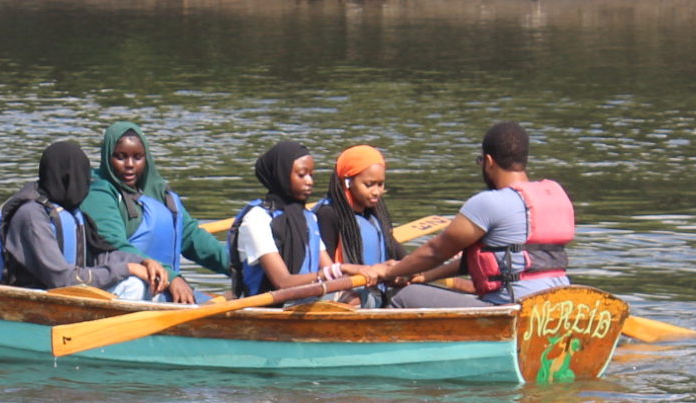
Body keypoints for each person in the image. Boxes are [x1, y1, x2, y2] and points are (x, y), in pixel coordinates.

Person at [370, 121, 576, 305]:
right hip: (558, 303)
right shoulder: (557, 195)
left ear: (488, 161)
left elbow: (436, 252)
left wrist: (388, 271)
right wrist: (424, 275)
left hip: (511, 307)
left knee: (404, 296)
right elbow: (484, 261)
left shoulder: (488, 203)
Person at [79, 121, 233, 304]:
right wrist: (172, 277)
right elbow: (115, 246)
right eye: (120, 157)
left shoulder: (159, 191)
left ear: (147, 158)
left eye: (137, 157)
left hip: (163, 287)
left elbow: (192, 236)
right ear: (107, 157)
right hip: (124, 287)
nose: (129, 164)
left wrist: (238, 267)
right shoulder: (99, 194)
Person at [0, 141, 169, 294]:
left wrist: (144, 261)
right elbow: (61, 279)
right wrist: (127, 269)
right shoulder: (31, 216)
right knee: (133, 286)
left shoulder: (72, 212)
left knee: (141, 282)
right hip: (40, 293)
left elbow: (100, 255)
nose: (85, 185)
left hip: (70, 287)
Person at [316, 144, 465, 307]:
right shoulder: (328, 214)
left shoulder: (375, 214)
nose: (376, 192)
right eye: (369, 184)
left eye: (380, 185)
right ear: (347, 182)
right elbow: (327, 270)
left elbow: (401, 256)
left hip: (381, 291)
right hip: (352, 295)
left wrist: (423, 266)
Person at [226, 141, 355, 296]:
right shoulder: (257, 219)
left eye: (311, 175)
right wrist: (340, 269)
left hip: (306, 305)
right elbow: (283, 282)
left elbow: (329, 270)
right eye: (301, 175)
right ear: (281, 174)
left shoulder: (309, 218)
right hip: (270, 309)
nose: (309, 181)